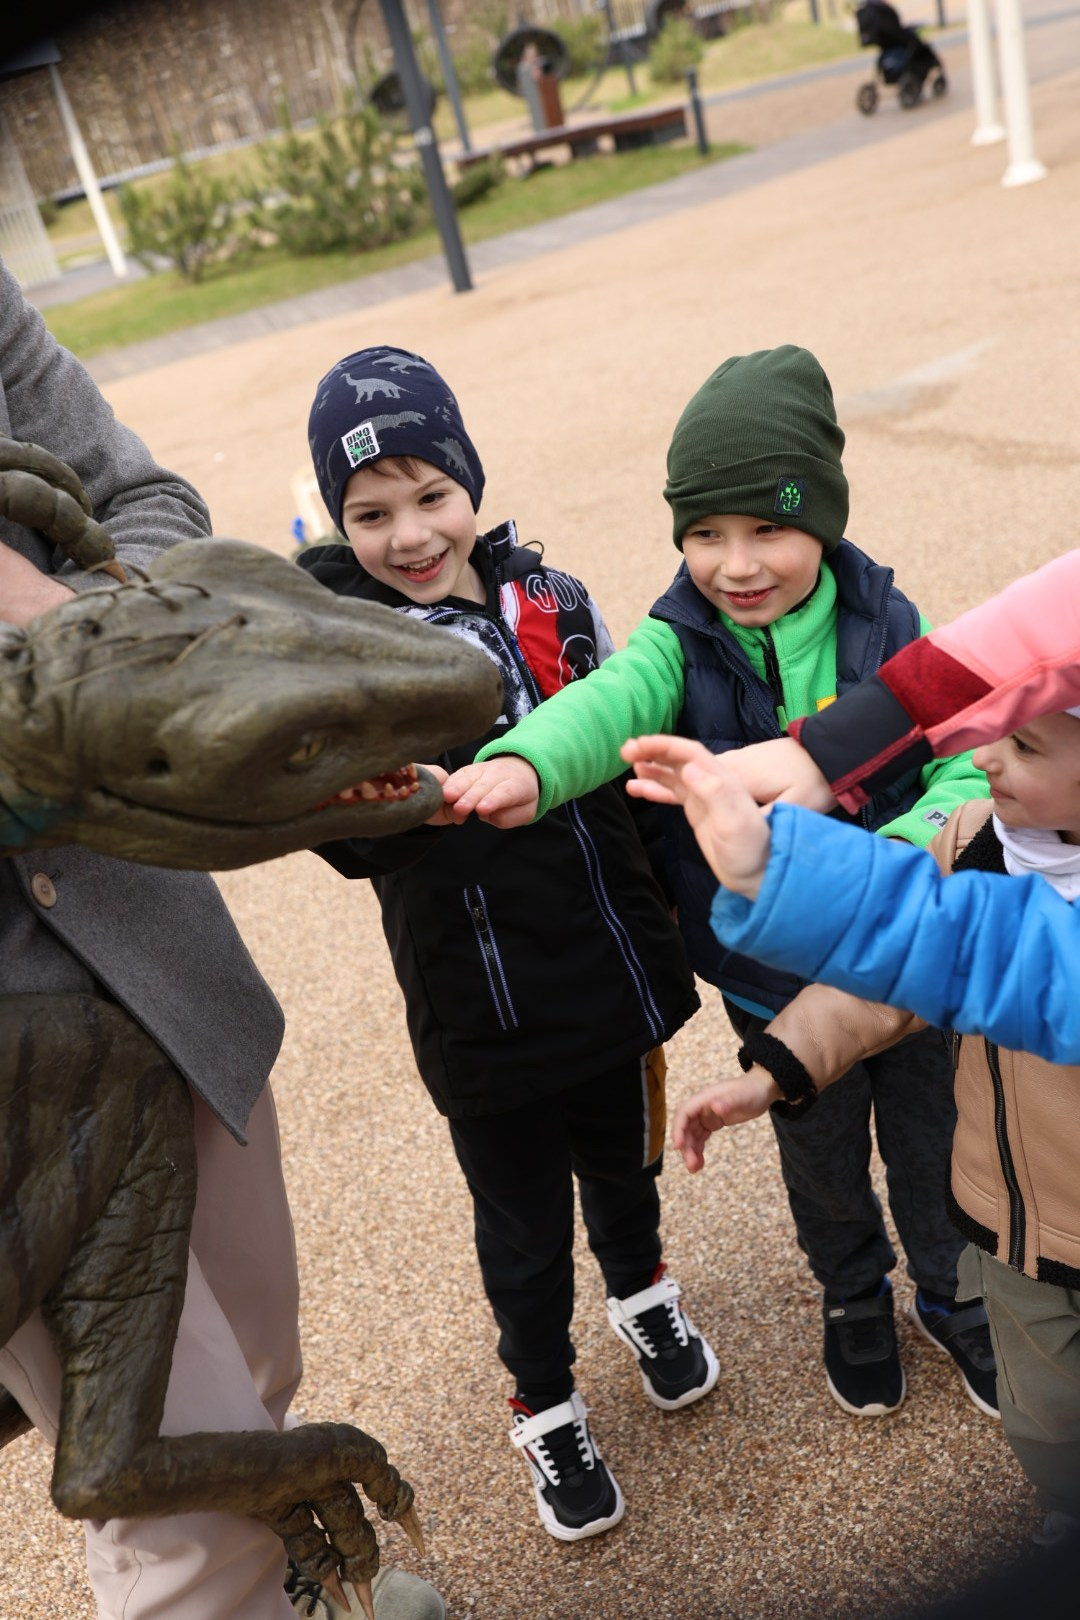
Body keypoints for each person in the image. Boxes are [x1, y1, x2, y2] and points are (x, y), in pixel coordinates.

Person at [0, 259, 442, 1620]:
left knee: (258, 1354)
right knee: (178, 1513)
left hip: (150, 946)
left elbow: (145, 497)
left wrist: (67, 637)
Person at [441, 345, 996, 1420]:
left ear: (823, 520)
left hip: (909, 958)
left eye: (767, 529)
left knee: (937, 1137)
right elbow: (605, 709)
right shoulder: (677, 641)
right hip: (771, 976)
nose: (736, 564)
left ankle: (954, 1291)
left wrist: (911, 846)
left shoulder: (888, 625)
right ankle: (852, 1297)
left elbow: (965, 759)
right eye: (705, 533)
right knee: (821, 1153)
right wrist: (526, 762)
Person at [297, 345, 713, 1544]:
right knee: (523, 1227)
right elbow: (340, 835)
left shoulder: (555, 599)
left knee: (623, 1171)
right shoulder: (355, 660)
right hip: (482, 1008)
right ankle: (544, 1399)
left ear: (471, 482)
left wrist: (667, 911)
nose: (410, 533)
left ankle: (642, 1295)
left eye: (432, 497)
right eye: (370, 513)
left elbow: (631, 753)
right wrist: (395, 806)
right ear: (339, 520)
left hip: (610, 967)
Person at [628, 710, 1080, 1545]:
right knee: (1050, 1418)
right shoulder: (980, 836)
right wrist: (775, 1070)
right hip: (1015, 1234)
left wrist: (778, 867)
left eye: (1025, 746)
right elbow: (891, 970)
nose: (985, 757)